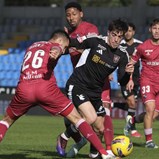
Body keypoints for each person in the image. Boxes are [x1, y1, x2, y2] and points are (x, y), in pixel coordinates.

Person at [0, 30, 115, 159]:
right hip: (45, 89)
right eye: (65, 46)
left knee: (6, 121)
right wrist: (57, 51)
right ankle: (104, 154)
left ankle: (79, 143)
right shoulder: (55, 46)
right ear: (60, 41)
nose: (64, 48)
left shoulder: (32, 46)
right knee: (78, 119)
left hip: (24, 89)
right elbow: (56, 48)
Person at [57, 18, 134, 158]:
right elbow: (75, 44)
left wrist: (128, 75)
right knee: (91, 118)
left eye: (120, 36)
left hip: (95, 91)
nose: (116, 39)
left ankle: (93, 155)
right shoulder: (96, 41)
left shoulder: (122, 55)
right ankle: (64, 136)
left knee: (100, 128)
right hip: (78, 84)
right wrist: (64, 40)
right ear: (108, 32)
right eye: (114, 35)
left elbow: (122, 81)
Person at [56, 2, 115, 158]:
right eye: (68, 15)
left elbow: (93, 48)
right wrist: (65, 43)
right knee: (70, 119)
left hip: (99, 80)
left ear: (81, 14)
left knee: (100, 120)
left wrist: (72, 45)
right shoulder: (67, 34)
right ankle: (80, 141)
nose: (71, 17)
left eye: (74, 14)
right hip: (81, 80)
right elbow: (64, 51)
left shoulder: (90, 29)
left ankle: (99, 151)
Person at [127, 18, 159, 148]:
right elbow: (131, 63)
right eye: (155, 28)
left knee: (152, 115)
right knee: (150, 110)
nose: (157, 31)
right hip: (148, 81)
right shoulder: (142, 47)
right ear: (150, 29)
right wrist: (130, 79)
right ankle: (149, 142)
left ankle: (133, 121)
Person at [120, 22, 142, 138]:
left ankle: (114, 104)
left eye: (130, 31)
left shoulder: (140, 45)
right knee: (132, 102)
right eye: (126, 31)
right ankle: (131, 129)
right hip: (124, 79)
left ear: (133, 32)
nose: (128, 33)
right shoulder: (119, 45)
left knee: (132, 104)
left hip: (137, 79)